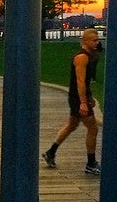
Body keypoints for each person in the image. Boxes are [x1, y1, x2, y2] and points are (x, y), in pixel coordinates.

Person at [42, 28, 102, 175]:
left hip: (79, 97)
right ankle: (91, 163)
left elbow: (87, 82)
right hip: (77, 98)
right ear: (85, 41)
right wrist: (83, 102)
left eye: (97, 40)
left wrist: (89, 97)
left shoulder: (90, 56)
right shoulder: (81, 57)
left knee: (72, 125)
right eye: (94, 40)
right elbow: (80, 81)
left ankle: (51, 152)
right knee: (93, 128)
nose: (97, 43)